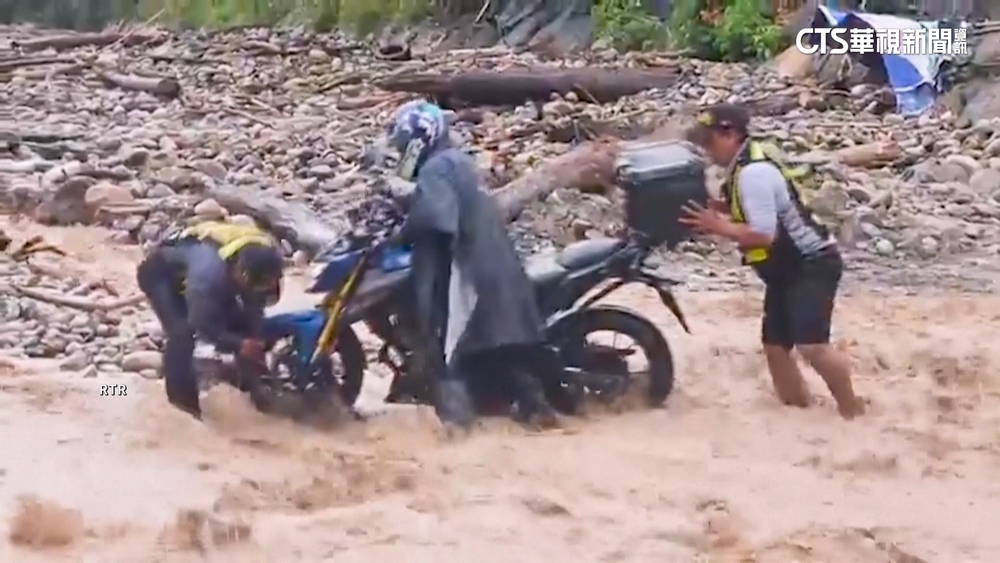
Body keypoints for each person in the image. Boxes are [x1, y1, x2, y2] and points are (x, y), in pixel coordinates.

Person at [386, 99, 562, 430]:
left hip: (469, 271)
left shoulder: (435, 169)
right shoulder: (455, 161)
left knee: (443, 349)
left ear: (419, 139)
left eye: (403, 146)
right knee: (494, 350)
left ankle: (461, 430)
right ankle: (536, 409)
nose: (401, 154)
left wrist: (402, 233)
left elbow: (439, 218)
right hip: (496, 263)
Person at [680, 103, 863, 419]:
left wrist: (717, 225)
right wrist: (716, 209)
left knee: (812, 346)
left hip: (812, 264)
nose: (707, 151)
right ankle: (797, 412)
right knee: (775, 346)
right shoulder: (743, 165)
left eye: (709, 142)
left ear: (731, 134)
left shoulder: (754, 173)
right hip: (786, 270)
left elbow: (764, 235)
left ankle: (852, 410)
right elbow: (750, 209)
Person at [136, 221, 285, 420]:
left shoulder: (268, 258)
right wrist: (239, 343)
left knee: (245, 327)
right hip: (161, 275)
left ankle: (257, 394)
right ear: (238, 271)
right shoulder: (207, 276)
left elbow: (254, 311)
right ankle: (183, 408)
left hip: (210, 274)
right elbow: (202, 323)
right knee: (182, 333)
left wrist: (254, 339)